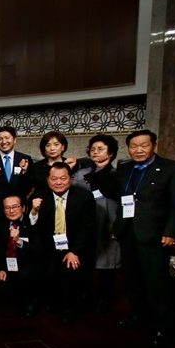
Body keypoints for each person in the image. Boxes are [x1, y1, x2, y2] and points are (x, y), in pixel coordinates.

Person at [112, 130, 175, 346]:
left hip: (155, 234)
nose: (138, 150)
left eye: (143, 145)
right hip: (127, 232)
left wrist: (172, 232)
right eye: (134, 146)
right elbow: (118, 196)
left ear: (154, 145)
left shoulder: (172, 168)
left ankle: (165, 325)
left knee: (156, 282)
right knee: (132, 279)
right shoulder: (124, 168)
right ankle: (138, 314)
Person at [29, 162, 96, 323]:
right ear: (48, 180)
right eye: (54, 179)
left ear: (70, 179)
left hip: (74, 246)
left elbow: (88, 228)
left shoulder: (84, 197)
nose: (58, 182)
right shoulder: (40, 196)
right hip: (49, 246)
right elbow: (32, 225)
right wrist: (34, 211)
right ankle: (53, 302)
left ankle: (68, 309)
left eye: (63, 178)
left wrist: (75, 251)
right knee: (48, 273)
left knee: (69, 273)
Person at [71, 134, 121, 312]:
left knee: (106, 263)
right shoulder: (82, 173)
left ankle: (104, 299)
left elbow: (116, 194)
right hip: (86, 224)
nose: (95, 152)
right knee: (85, 262)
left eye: (100, 149)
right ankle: (85, 296)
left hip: (108, 223)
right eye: (92, 149)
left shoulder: (118, 174)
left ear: (111, 153)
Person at [0, 195, 43, 316]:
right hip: (8, 265)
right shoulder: (0, 225)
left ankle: (30, 302)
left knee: (25, 275)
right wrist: (0, 269)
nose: (11, 211)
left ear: (24, 208)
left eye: (15, 207)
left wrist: (19, 241)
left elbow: (38, 251)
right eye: (7, 208)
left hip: (28, 265)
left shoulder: (32, 224)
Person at [0, 126, 33, 222]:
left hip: (18, 208)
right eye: (0, 139)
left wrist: (24, 172)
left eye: (7, 138)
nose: (4, 141)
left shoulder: (25, 159)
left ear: (14, 140)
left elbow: (29, 186)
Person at [30, 131, 78, 196]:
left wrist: (69, 169)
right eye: (48, 145)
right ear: (44, 149)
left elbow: (76, 187)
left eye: (56, 144)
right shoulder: (36, 167)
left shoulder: (72, 164)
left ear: (63, 147)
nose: (52, 148)